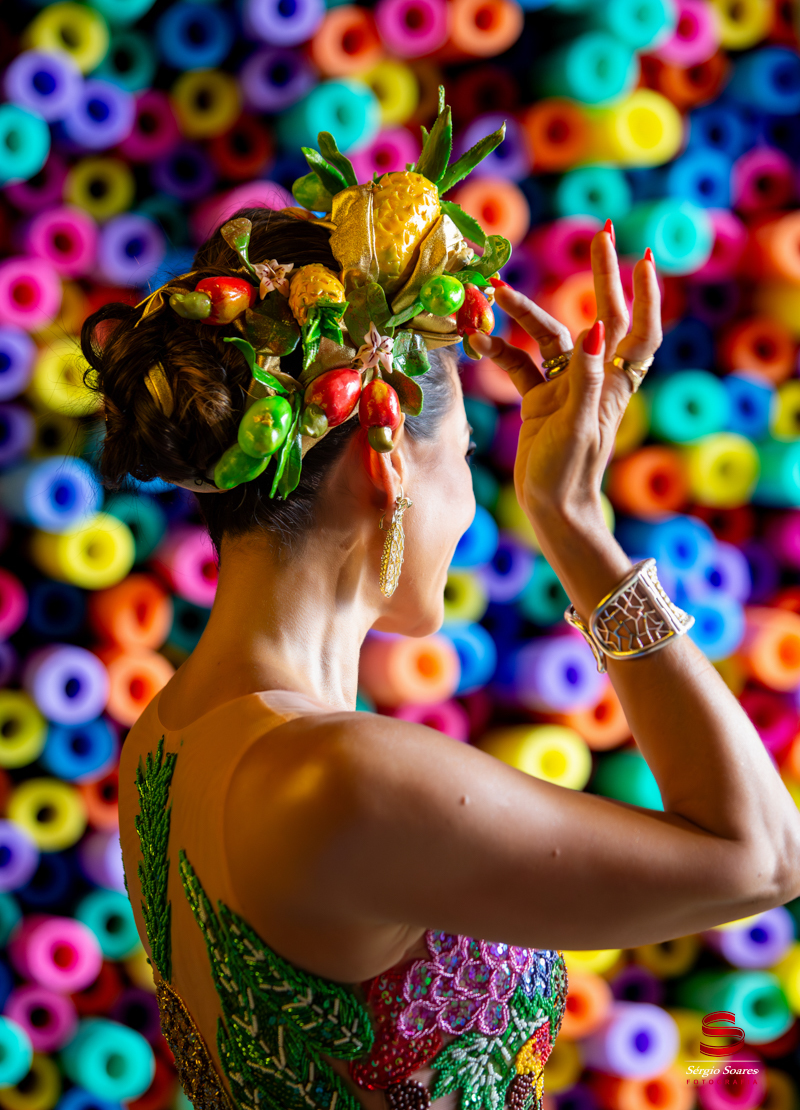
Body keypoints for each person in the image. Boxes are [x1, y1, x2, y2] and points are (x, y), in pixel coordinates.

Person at [84, 124, 800, 1110]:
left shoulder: (164, 737)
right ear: (388, 467)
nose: (470, 503)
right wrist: (572, 523)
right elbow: (763, 858)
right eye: (462, 457)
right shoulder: (339, 777)